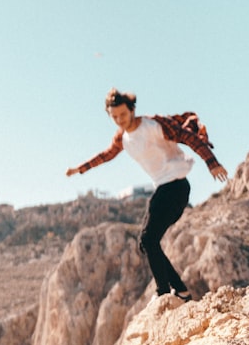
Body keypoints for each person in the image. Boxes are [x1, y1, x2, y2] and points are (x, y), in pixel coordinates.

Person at [66, 88, 229, 301]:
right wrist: (81, 168)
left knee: (148, 239)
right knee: (146, 243)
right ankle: (181, 290)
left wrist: (212, 162)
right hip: (164, 187)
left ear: (132, 110)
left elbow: (188, 137)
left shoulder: (154, 125)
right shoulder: (122, 138)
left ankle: (164, 291)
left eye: (123, 115)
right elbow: (107, 155)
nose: (120, 120)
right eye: (114, 117)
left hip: (176, 186)